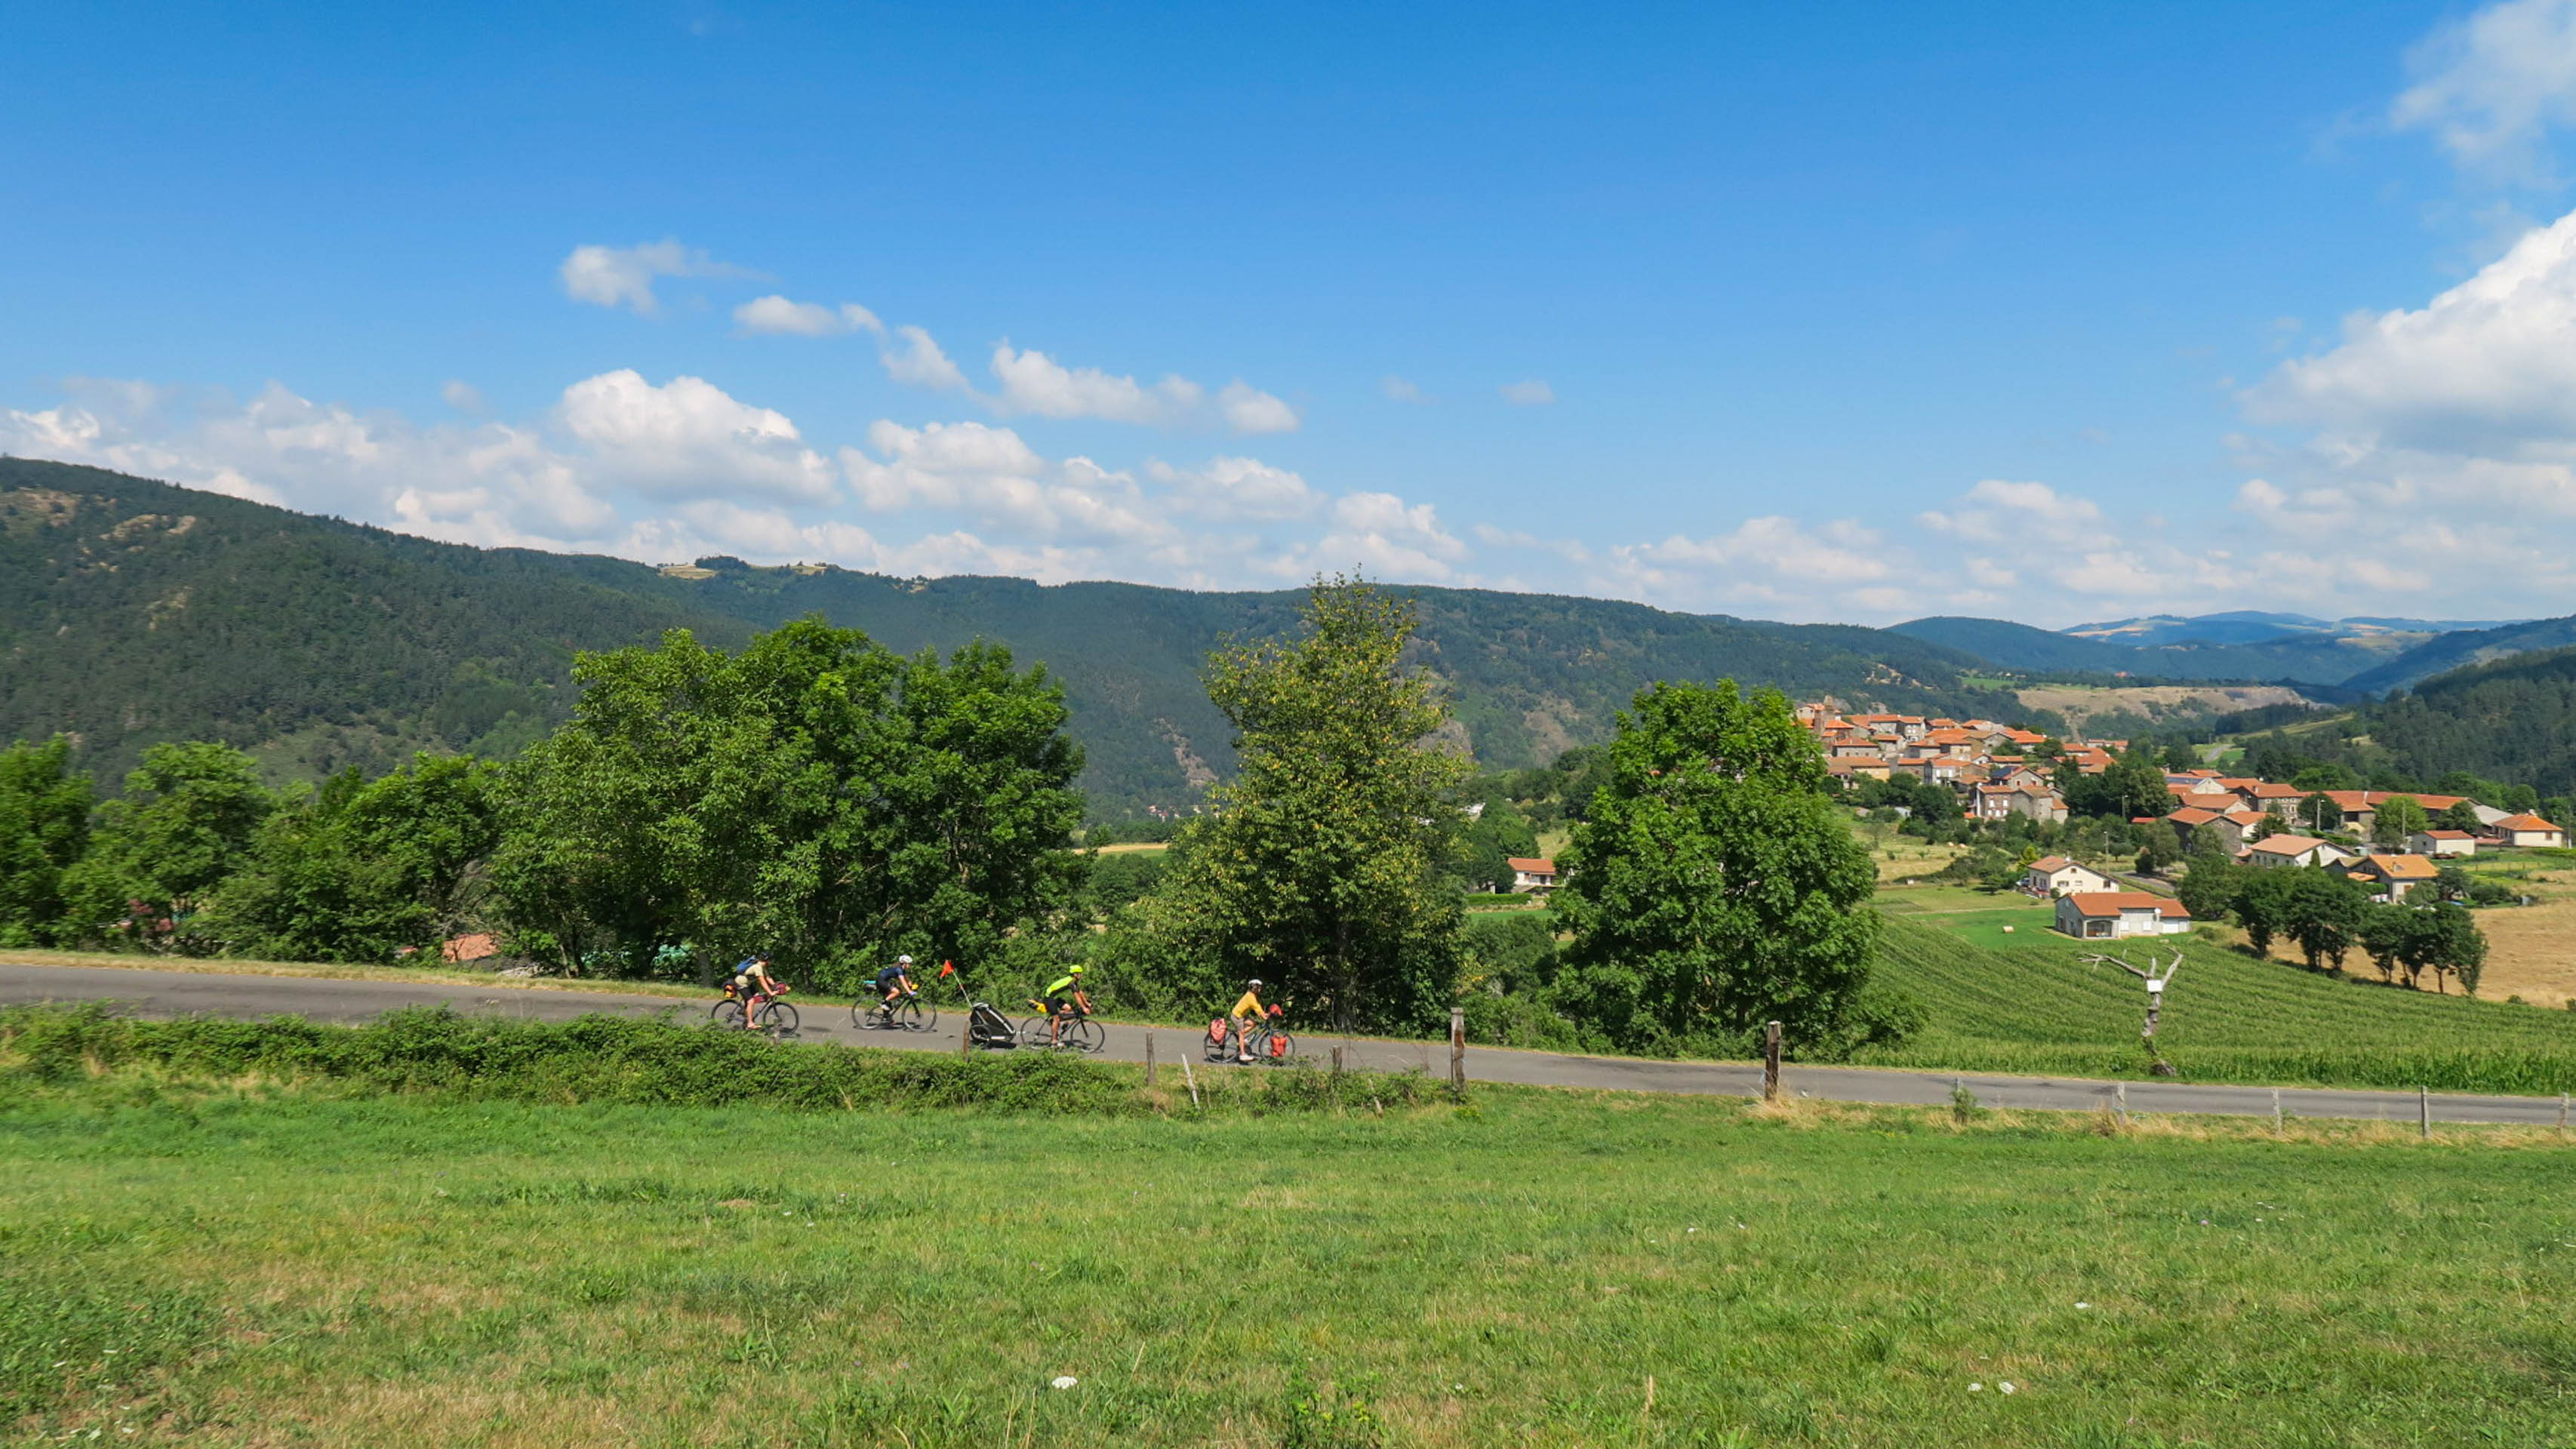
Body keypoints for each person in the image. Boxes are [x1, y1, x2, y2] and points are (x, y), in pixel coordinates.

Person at [729, 952, 784, 1030]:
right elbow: (762, 981)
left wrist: (776, 986)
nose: (771, 962)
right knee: (751, 1001)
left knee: (757, 997)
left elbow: (768, 978)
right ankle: (750, 1024)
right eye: (770, 960)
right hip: (741, 983)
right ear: (767, 960)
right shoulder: (757, 967)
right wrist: (770, 992)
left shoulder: (762, 967)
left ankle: (745, 1011)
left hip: (748, 983)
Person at [1041, 964, 1092, 1045]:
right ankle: (1054, 1041)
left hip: (1054, 998)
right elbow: (1077, 997)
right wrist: (1083, 1008)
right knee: (1057, 1018)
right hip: (1049, 998)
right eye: (1080, 973)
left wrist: (1087, 1003)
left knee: (1068, 1008)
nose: (1081, 975)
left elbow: (1080, 993)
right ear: (1075, 974)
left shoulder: (1073, 981)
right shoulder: (1071, 982)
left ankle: (1053, 1021)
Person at [1228, 979, 1267, 1063]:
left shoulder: (1253, 996)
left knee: (1253, 1024)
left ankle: (1242, 1039)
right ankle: (1242, 1055)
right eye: (1259, 987)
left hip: (1242, 1016)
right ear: (1254, 988)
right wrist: (1264, 1016)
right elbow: (1256, 1008)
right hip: (1237, 1016)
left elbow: (1258, 1006)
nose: (1260, 989)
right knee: (1242, 1033)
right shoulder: (1250, 997)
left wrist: (1264, 1014)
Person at [874, 955, 918, 1021]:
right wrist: (909, 991)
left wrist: (912, 986)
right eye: (910, 964)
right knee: (897, 992)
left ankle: (886, 1016)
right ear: (905, 964)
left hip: (886, 980)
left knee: (896, 993)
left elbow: (907, 980)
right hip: (881, 980)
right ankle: (883, 1003)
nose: (911, 965)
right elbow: (903, 982)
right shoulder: (899, 970)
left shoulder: (902, 970)